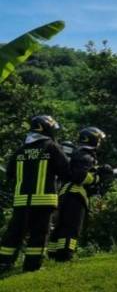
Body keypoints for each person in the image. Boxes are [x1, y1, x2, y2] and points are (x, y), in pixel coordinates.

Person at [0, 115, 71, 272]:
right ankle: (32, 266)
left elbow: (10, 173)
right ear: (48, 129)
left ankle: (3, 263)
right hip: (44, 201)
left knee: (14, 233)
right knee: (39, 234)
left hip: (21, 201)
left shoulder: (20, 150)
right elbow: (66, 172)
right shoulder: (52, 147)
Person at [49, 127, 113, 261]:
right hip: (75, 194)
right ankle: (65, 256)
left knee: (61, 226)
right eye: (99, 139)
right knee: (72, 227)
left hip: (66, 193)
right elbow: (80, 176)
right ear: (93, 139)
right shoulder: (86, 154)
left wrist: (98, 171)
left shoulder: (78, 153)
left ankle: (53, 254)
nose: (100, 142)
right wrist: (98, 177)